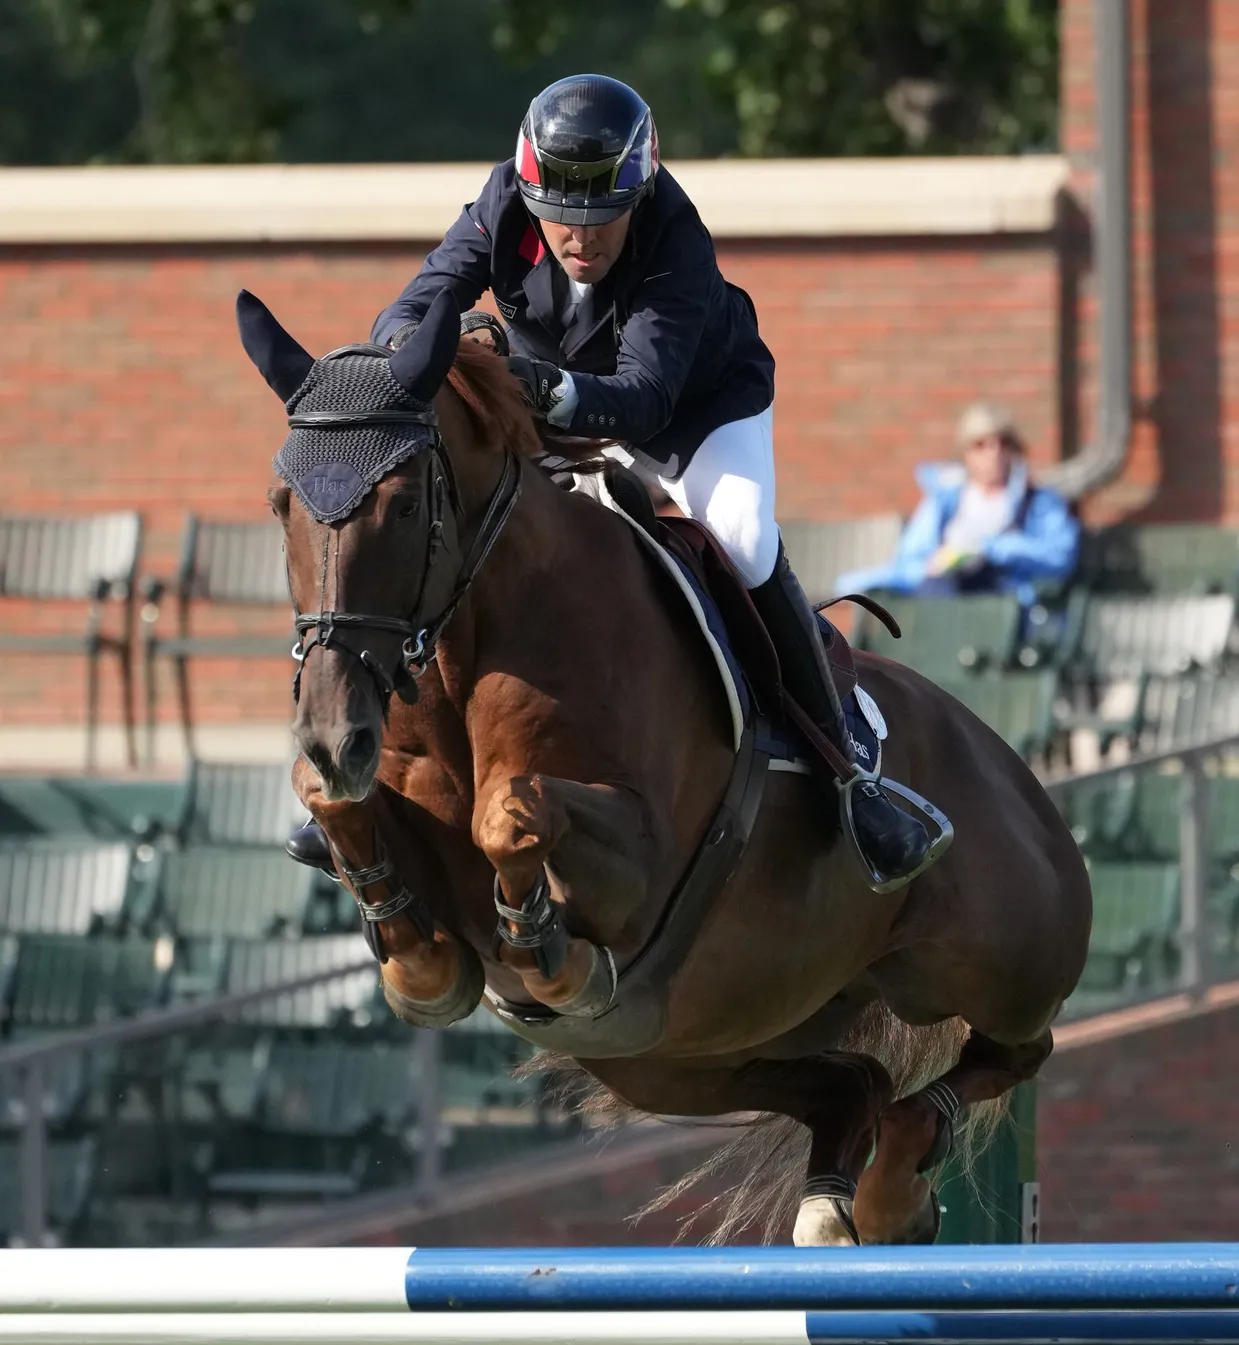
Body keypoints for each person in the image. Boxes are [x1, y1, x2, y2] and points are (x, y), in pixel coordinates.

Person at [288, 74, 932, 886]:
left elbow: (645, 394)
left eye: (603, 217)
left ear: (640, 194)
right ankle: (365, 770)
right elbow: (417, 302)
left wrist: (541, 386)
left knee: (741, 540)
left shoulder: (674, 234)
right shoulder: (503, 199)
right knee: (445, 520)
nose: (580, 237)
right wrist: (412, 352)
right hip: (555, 403)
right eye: (560, 215)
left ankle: (847, 768)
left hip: (693, 414)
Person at [835, 403, 1079, 627]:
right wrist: (934, 565)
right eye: (980, 444)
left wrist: (990, 548)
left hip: (1008, 606)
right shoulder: (944, 500)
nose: (993, 453)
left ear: (1015, 450)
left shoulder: (1039, 502)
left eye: (1003, 443)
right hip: (944, 599)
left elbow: (1060, 557)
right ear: (966, 453)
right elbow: (910, 559)